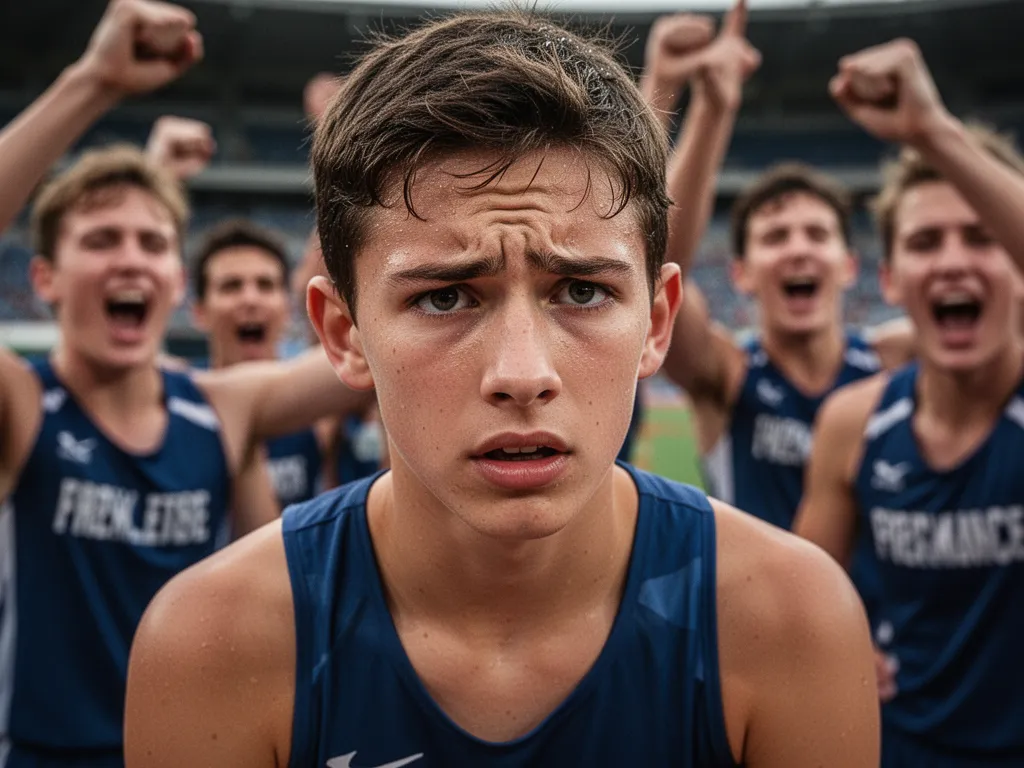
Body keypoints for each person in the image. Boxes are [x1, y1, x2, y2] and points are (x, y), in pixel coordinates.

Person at [124, 10, 879, 767]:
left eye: (582, 292)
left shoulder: (792, 620)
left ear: (657, 323)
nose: (523, 375)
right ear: (342, 333)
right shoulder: (211, 643)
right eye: (446, 297)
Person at [0, 2, 368, 764]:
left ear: (174, 279)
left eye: (153, 242)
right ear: (45, 281)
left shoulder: (221, 408)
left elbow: (368, 357)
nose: (131, 258)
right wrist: (93, 82)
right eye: (102, 240)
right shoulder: (22, 405)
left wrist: (354, 146)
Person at [795, 37, 1024, 766]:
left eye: (982, 237)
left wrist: (933, 132)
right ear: (890, 280)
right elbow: (797, 603)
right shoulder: (855, 421)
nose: (953, 260)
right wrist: (841, 638)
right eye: (926, 242)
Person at [648, 3, 913, 534]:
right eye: (775, 236)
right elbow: (652, 262)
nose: (798, 249)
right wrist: (713, 109)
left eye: (817, 234)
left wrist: (933, 135)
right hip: (750, 612)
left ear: (848, 264)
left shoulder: (893, 362)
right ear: (741, 272)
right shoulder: (726, 372)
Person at [191, 218, 326, 508]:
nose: (250, 299)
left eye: (265, 285)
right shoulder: (184, 399)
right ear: (199, 312)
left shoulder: (320, 413)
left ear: (288, 308)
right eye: (231, 286)